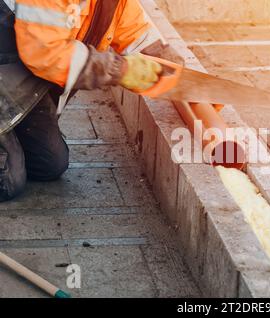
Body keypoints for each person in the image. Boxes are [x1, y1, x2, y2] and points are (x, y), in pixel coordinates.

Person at [0, 0, 163, 201]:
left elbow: (142, 41)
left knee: (49, 164)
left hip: (18, 83)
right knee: (7, 179)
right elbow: (45, 52)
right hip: (10, 69)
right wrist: (115, 69)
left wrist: (174, 68)